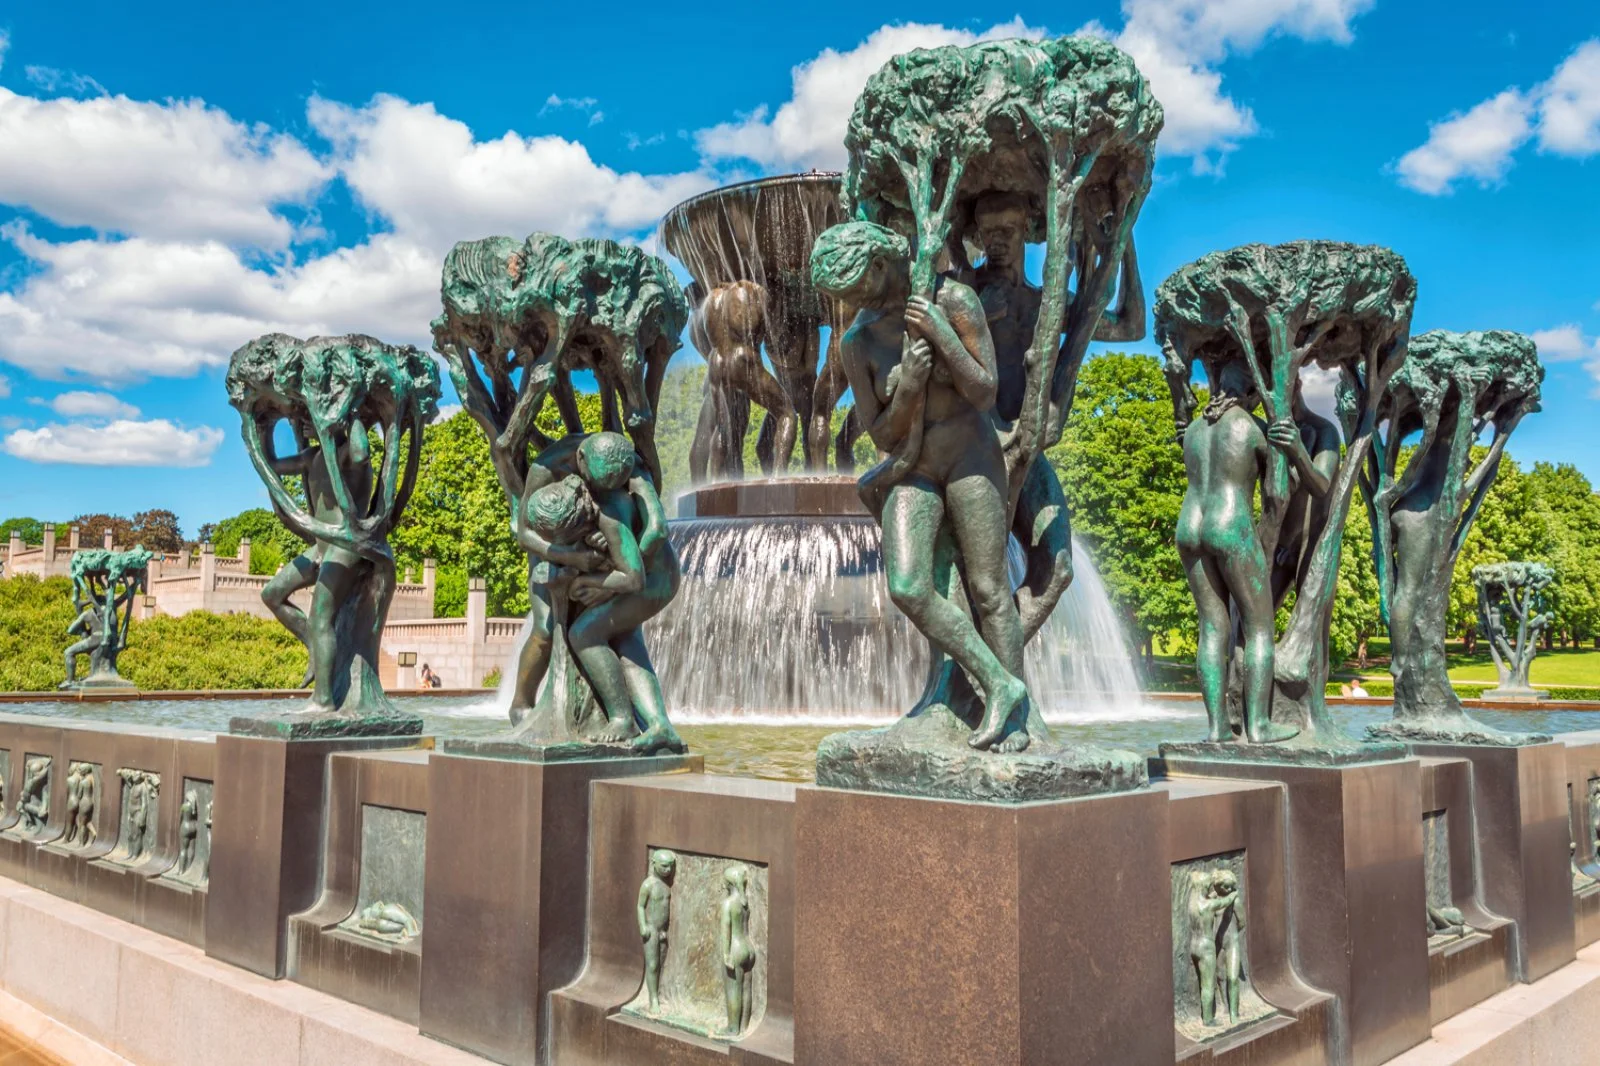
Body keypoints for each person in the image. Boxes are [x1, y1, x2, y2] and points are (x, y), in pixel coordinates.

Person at [811, 220, 1028, 751]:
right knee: (908, 586)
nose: (849, 304)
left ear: (881, 267)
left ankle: (1021, 722)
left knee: (989, 589)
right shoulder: (857, 343)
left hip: (972, 458)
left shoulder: (951, 299)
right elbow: (881, 433)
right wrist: (907, 385)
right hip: (913, 468)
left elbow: (984, 391)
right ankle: (1001, 685)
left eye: (854, 289)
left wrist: (942, 334)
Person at [1176, 360, 1299, 745]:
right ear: (1249, 394)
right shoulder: (1252, 427)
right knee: (1259, 626)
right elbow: (1283, 488)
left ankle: (1216, 729)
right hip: (1231, 526)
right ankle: (1259, 725)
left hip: (1189, 527)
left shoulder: (1194, 430)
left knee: (1212, 627)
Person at [258, 414, 375, 710]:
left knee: (320, 617)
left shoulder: (347, 452)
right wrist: (264, 428)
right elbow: (270, 466)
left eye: (314, 415)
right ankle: (314, 642)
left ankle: (322, 700)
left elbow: (363, 451)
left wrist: (354, 411)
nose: (306, 422)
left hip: (345, 546)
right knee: (271, 594)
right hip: (321, 547)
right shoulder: (312, 456)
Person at [636, 849, 676, 1012]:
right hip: (651, 930)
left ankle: (657, 993)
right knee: (652, 965)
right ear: (654, 864)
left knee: (660, 964)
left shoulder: (667, 885)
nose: (668, 870)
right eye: (664, 866)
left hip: (663, 931)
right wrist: (643, 926)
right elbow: (640, 906)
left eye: (670, 867)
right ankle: (653, 999)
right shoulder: (648, 884)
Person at [720, 863, 756, 1036]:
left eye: (724, 882)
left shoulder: (728, 903)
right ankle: (744, 1027)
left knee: (734, 990)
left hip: (736, 949)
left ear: (730, 884)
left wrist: (726, 954)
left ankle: (733, 1029)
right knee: (747, 989)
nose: (722, 885)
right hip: (749, 949)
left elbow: (726, 930)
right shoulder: (745, 903)